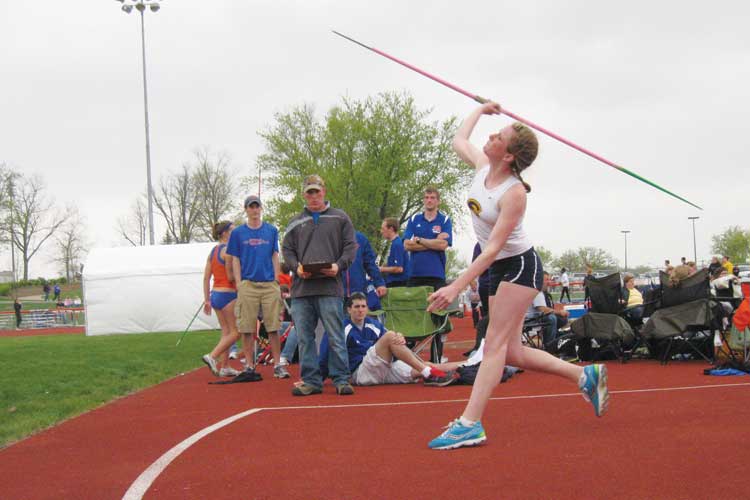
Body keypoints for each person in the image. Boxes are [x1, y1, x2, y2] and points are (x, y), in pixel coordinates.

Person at [426, 101, 608, 450]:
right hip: (497, 268)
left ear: (508, 156)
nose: (491, 136)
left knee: (492, 346)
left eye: (499, 136)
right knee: (510, 352)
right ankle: (583, 375)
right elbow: (458, 140)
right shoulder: (482, 166)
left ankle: (470, 423)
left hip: (520, 266)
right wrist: (481, 110)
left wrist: (456, 285)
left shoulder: (513, 194)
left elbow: (493, 248)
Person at [282, 174, 357, 396]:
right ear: (304, 195)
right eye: (309, 192)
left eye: (317, 191)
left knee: (335, 335)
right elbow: (287, 251)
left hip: (330, 288)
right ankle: (311, 380)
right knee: (305, 338)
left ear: (324, 191)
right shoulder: (295, 221)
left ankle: (342, 379)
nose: (313, 196)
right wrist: (296, 268)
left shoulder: (340, 217)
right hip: (302, 291)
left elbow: (350, 247)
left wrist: (338, 266)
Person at [318, 292, 456, 387]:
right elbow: (326, 352)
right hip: (360, 373)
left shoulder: (373, 324)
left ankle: (467, 367)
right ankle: (428, 373)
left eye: (363, 306)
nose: (360, 310)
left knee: (421, 367)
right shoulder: (342, 328)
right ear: (349, 310)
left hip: (382, 369)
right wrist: (318, 378)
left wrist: (399, 337)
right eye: (356, 307)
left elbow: (391, 340)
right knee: (390, 336)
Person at [226, 195, 287, 379]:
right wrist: (238, 282)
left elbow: (275, 255)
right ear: (246, 209)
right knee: (246, 327)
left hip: (269, 284)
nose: (254, 210)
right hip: (248, 284)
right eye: (251, 207)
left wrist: (276, 279)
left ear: (261, 208)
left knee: (273, 326)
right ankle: (249, 366)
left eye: (257, 206)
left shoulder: (271, 231)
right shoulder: (237, 234)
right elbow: (234, 258)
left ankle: (277, 364)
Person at [200, 221, 241, 378]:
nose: (235, 232)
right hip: (228, 294)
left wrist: (207, 299)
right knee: (236, 332)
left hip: (215, 295)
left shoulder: (213, 251)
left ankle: (225, 367)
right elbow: (231, 276)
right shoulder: (228, 251)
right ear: (224, 233)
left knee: (226, 332)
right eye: (232, 230)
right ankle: (212, 356)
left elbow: (206, 278)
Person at [403, 186, 452, 290]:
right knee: (414, 306)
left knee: (436, 307)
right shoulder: (414, 219)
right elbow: (407, 245)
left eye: (432, 197)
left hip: (436, 275)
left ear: (438, 201)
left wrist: (420, 240)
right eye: (427, 197)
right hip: (415, 275)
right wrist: (435, 242)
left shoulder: (445, 220)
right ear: (423, 200)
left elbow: (443, 245)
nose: (429, 200)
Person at [527, 272, 569, 349]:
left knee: (561, 319)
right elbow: (543, 309)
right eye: (546, 280)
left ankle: (556, 339)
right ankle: (550, 346)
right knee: (551, 318)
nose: (549, 282)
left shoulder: (540, 292)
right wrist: (560, 312)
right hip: (531, 320)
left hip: (534, 318)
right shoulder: (537, 292)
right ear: (539, 280)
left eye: (549, 279)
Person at [345, 231, 387, 301]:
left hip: (358, 292)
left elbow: (370, 264)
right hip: (332, 293)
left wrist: (379, 283)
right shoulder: (327, 237)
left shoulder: (361, 238)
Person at [379, 217, 409, 288]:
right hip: (394, 282)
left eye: (383, 229)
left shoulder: (397, 244)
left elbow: (399, 268)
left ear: (391, 229)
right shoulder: (393, 243)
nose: (381, 231)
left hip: (399, 283)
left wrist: (381, 269)